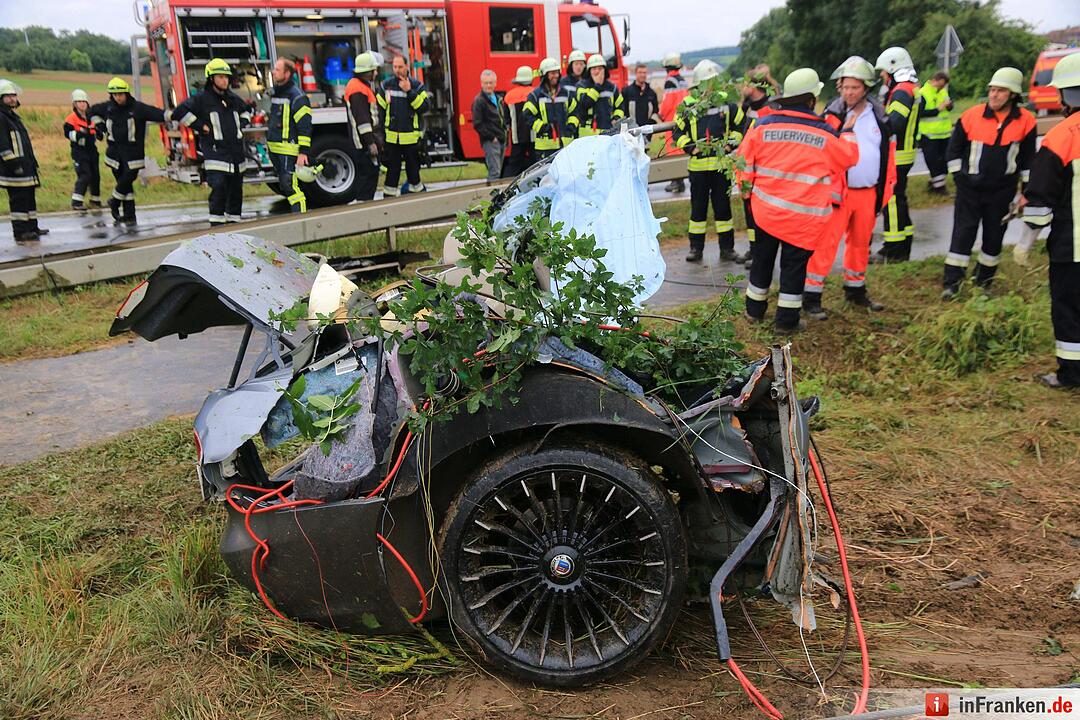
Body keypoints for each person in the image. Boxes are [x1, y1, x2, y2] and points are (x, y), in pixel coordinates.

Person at [737, 68, 859, 334]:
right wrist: (849, 131)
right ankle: (786, 322)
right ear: (811, 100)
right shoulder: (825, 133)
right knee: (793, 268)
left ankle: (753, 312)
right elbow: (848, 158)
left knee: (761, 261)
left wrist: (747, 196)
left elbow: (743, 164)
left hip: (765, 212)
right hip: (803, 218)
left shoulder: (762, 126)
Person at [804, 56, 896, 320]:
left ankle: (855, 290)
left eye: (854, 87)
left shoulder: (879, 116)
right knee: (826, 245)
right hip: (838, 195)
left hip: (868, 192)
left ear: (865, 88)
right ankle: (812, 296)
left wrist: (886, 187)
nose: (849, 92)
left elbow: (887, 153)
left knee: (860, 244)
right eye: (845, 87)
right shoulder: (832, 117)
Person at [942, 67, 1036, 298]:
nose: (994, 95)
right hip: (969, 190)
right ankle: (952, 284)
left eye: (1000, 91)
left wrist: (1026, 192)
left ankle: (983, 282)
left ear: (1013, 94)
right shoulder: (971, 115)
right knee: (963, 233)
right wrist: (960, 178)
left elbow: (1027, 161)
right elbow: (953, 151)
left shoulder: (1026, 121)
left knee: (994, 237)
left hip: (1002, 192)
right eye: (992, 90)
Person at [1018, 52, 1080, 389]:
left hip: (1073, 247)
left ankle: (1072, 374)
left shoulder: (1061, 136)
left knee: (1069, 308)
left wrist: (1026, 242)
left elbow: (1039, 201)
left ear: (1065, 94)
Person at [673, 60, 745, 264]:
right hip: (698, 169)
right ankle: (696, 249)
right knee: (698, 210)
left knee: (723, 210)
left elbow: (741, 125)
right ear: (698, 85)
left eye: (713, 82)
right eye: (707, 83)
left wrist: (730, 145)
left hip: (721, 168)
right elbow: (677, 131)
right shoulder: (688, 105)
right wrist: (691, 147)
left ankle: (727, 249)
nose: (711, 87)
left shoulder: (727, 103)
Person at [173, 59, 251, 226]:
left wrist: (241, 124)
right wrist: (200, 126)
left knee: (236, 191)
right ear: (211, 78)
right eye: (220, 77)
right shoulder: (202, 99)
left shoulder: (232, 98)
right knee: (219, 188)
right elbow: (179, 112)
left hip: (236, 155)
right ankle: (217, 225)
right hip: (216, 154)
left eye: (226, 77)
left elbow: (247, 111)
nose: (224, 80)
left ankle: (234, 224)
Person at [89, 77, 168, 225]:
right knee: (125, 185)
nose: (118, 98)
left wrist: (175, 114)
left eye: (120, 94)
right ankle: (129, 215)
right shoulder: (108, 108)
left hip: (133, 154)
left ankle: (114, 200)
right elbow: (91, 111)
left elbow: (158, 114)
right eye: (115, 95)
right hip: (114, 154)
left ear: (126, 93)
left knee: (128, 178)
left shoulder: (137, 108)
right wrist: (99, 124)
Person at [872, 46, 921, 262]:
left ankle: (893, 250)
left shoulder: (901, 91)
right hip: (905, 153)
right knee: (899, 199)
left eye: (884, 72)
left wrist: (875, 122)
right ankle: (904, 243)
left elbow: (894, 123)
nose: (883, 76)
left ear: (894, 68)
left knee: (890, 201)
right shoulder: (911, 88)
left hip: (897, 155)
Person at [738, 67, 778, 268]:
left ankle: (760, 254)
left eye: (746, 84)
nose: (742, 87)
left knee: (759, 214)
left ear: (754, 87)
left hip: (761, 170)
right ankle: (754, 249)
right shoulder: (749, 107)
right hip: (747, 169)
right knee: (749, 214)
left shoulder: (769, 109)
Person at [0, 80, 47, 242]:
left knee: (29, 197)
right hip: (13, 169)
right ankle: (20, 232)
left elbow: (23, 144)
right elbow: (3, 145)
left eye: (14, 95)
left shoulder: (13, 117)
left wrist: (32, 163)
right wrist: (14, 164)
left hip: (26, 166)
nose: (13, 99)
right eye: (8, 96)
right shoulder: (1, 118)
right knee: (18, 200)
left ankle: (32, 227)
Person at [378, 54, 430, 196]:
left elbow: (424, 108)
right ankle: (388, 199)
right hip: (391, 138)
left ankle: (418, 197)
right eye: (395, 67)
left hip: (411, 138)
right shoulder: (386, 85)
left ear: (407, 66)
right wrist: (380, 135)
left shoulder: (417, 86)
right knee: (392, 171)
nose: (397, 70)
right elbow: (379, 112)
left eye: (400, 67)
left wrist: (409, 92)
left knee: (413, 171)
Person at [267, 58, 312, 213]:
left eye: (277, 70)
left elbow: (305, 126)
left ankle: (301, 220)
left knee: (290, 187)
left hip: (288, 150)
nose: (273, 72)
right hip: (275, 149)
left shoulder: (297, 96)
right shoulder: (277, 93)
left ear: (287, 74)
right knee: (284, 186)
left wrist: (303, 152)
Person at [345, 52, 383, 202]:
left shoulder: (359, 86)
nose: (376, 73)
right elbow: (363, 120)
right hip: (363, 144)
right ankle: (364, 208)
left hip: (362, 142)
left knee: (367, 177)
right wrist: (370, 142)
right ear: (368, 72)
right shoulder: (358, 89)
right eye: (374, 70)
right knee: (368, 177)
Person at [523, 58, 577, 160]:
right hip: (545, 147)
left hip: (566, 145)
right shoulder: (535, 95)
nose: (555, 76)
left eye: (557, 72)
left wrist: (571, 127)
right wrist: (543, 128)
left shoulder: (566, 93)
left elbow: (575, 112)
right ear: (544, 75)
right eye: (552, 73)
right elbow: (527, 115)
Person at [63, 88, 101, 214]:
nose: (82, 104)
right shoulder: (71, 119)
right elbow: (68, 134)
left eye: (84, 101)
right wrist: (82, 133)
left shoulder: (92, 117)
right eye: (79, 102)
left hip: (92, 150)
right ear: (74, 104)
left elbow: (99, 132)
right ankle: (77, 202)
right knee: (85, 175)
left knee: (95, 175)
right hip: (79, 151)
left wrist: (99, 133)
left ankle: (95, 200)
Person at [917, 70, 953, 195]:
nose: (942, 88)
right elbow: (919, 113)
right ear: (934, 81)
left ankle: (934, 184)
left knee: (945, 161)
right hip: (929, 135)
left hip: (944, 134)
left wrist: (949, 105)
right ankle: (939, 189)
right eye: (940, 85)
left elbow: (949, 107)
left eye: (944, 85)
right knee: (934, 162)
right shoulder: (923, 93)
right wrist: (938, 109)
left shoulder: (943, 91)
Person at [571, 54, 624, 136]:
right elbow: (585, 104)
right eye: (594, 69)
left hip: (608, 132)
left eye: (600, 68)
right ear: (589, 71)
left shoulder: (612, 87)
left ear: (605, 70)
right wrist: (597, 86)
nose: (597, 72)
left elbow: (620, 107)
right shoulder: (581, 86)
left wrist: (616, 118)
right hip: (587, 134)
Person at [658, 51, 688, 193]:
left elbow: (667, 103)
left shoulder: (670, 81)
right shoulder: (682, 80)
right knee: (680, 148)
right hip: (682, 118)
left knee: (673, 150)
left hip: (671, 119)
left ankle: (676, 182)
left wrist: (661, 114)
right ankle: (680, 181)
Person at [472, 69, 505, 183]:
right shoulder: (479, 101)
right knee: (494, 172)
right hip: (490, 141)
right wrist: (491, 137)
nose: (488, 86)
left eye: (491, 83)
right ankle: (492, 193)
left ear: (495, 83)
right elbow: (477, 123)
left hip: (501, 139)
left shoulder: (498, 98)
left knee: (498, 171)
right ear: (481, 84)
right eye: (486, 83)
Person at [502, 65, 535, 176]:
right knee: (535, 164)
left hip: (516, 137)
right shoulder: (535, 93)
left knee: (514, 165)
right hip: (533, 136)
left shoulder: (508, 96)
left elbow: (506, 119)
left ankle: (506, 183)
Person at [622, 63, 659, 128]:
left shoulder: (652, 93)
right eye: (640, 72)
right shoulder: (626, 92)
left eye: (644, 73)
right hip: (631, 130)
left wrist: (650, 124)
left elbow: (656, 112)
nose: (642, 75)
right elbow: (623, 111)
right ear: (635, 73)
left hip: (647, 131)